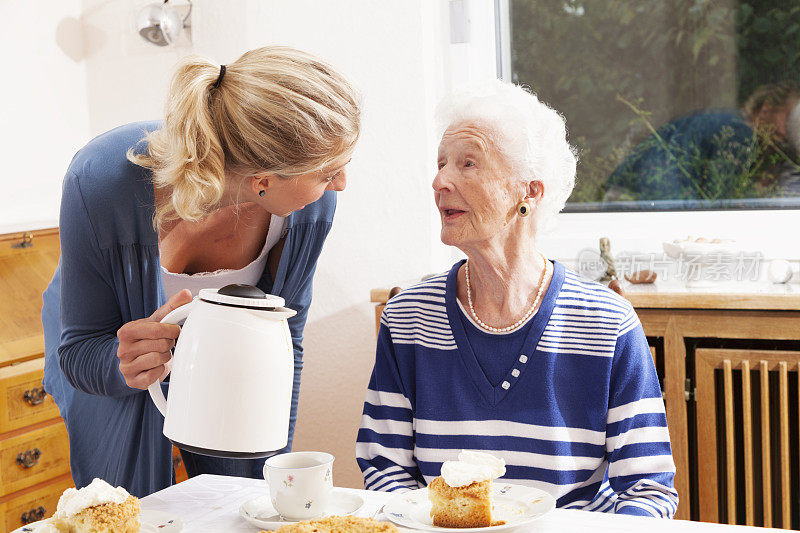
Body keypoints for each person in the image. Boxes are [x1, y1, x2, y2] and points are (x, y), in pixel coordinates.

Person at [41, 46, 361, 497]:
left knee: (238, 498)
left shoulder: (307, 211)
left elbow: (285, 342)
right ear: (262, 180)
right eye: (329, 172)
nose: (341, 184)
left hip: (223, 359)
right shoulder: (101, 182)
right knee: (122, 501)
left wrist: (266, 463)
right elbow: (78, 354)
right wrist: (127, 363)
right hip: (103, 350)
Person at [356, 80, 678, 518]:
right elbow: (384, 464)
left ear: (530, 192)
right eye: (441, 163)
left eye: (467, 164)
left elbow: (648, 488)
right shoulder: (410, 317)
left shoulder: (606, 322)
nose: (439, 180)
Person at [604, 81, 800, 203]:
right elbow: (716, 201)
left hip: (627, 194)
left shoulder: (727, 119)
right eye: (787, 120)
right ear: (766, 109)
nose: (786, 134)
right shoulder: (738, 133)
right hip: (644, 203)